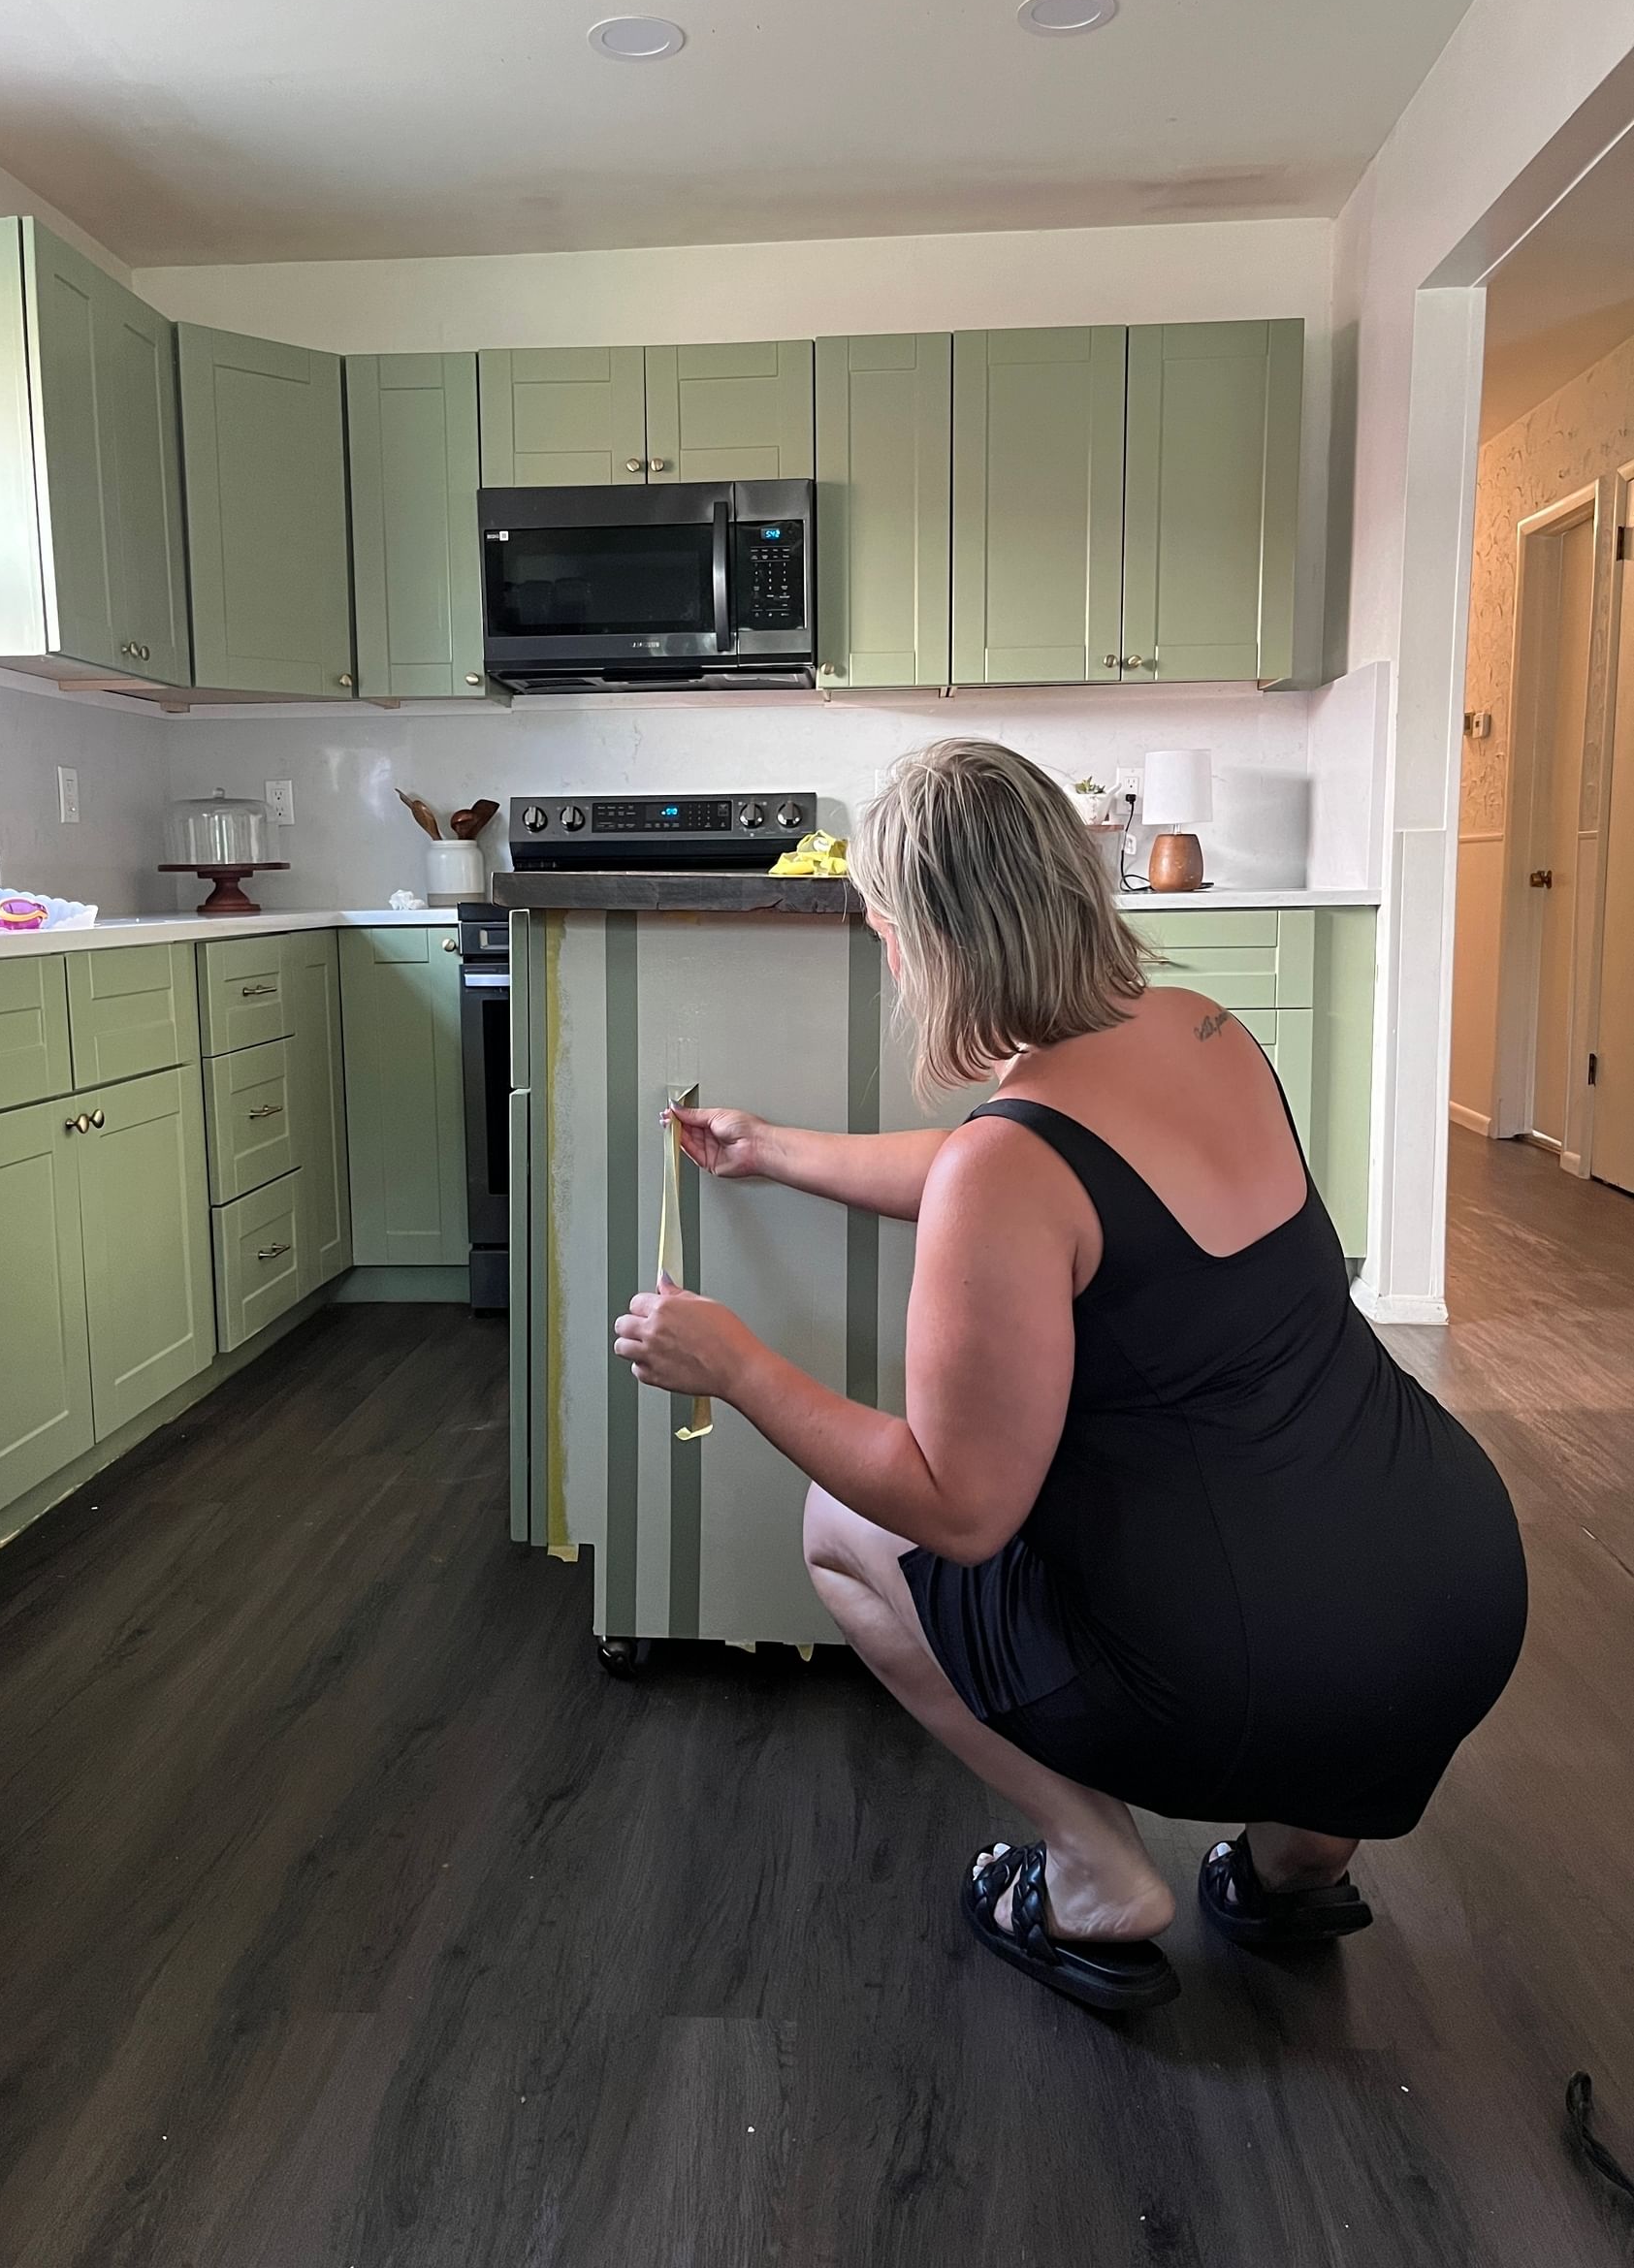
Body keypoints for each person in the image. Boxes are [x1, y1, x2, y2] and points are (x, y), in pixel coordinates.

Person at [613, 739, 1527, 2012]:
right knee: (1309, 1656)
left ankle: (1094, 1870)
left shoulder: (1009, 1168)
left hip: (1241, 1668)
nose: (884, 951)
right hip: (1452, 1601)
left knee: (844, 1527)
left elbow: (954, 1508)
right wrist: (774, 1148)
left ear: (932, 942)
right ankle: (1304, 1852)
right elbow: (1036, 1175)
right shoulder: (1202, 1029)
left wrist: (737, 1365)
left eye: (885, 926)